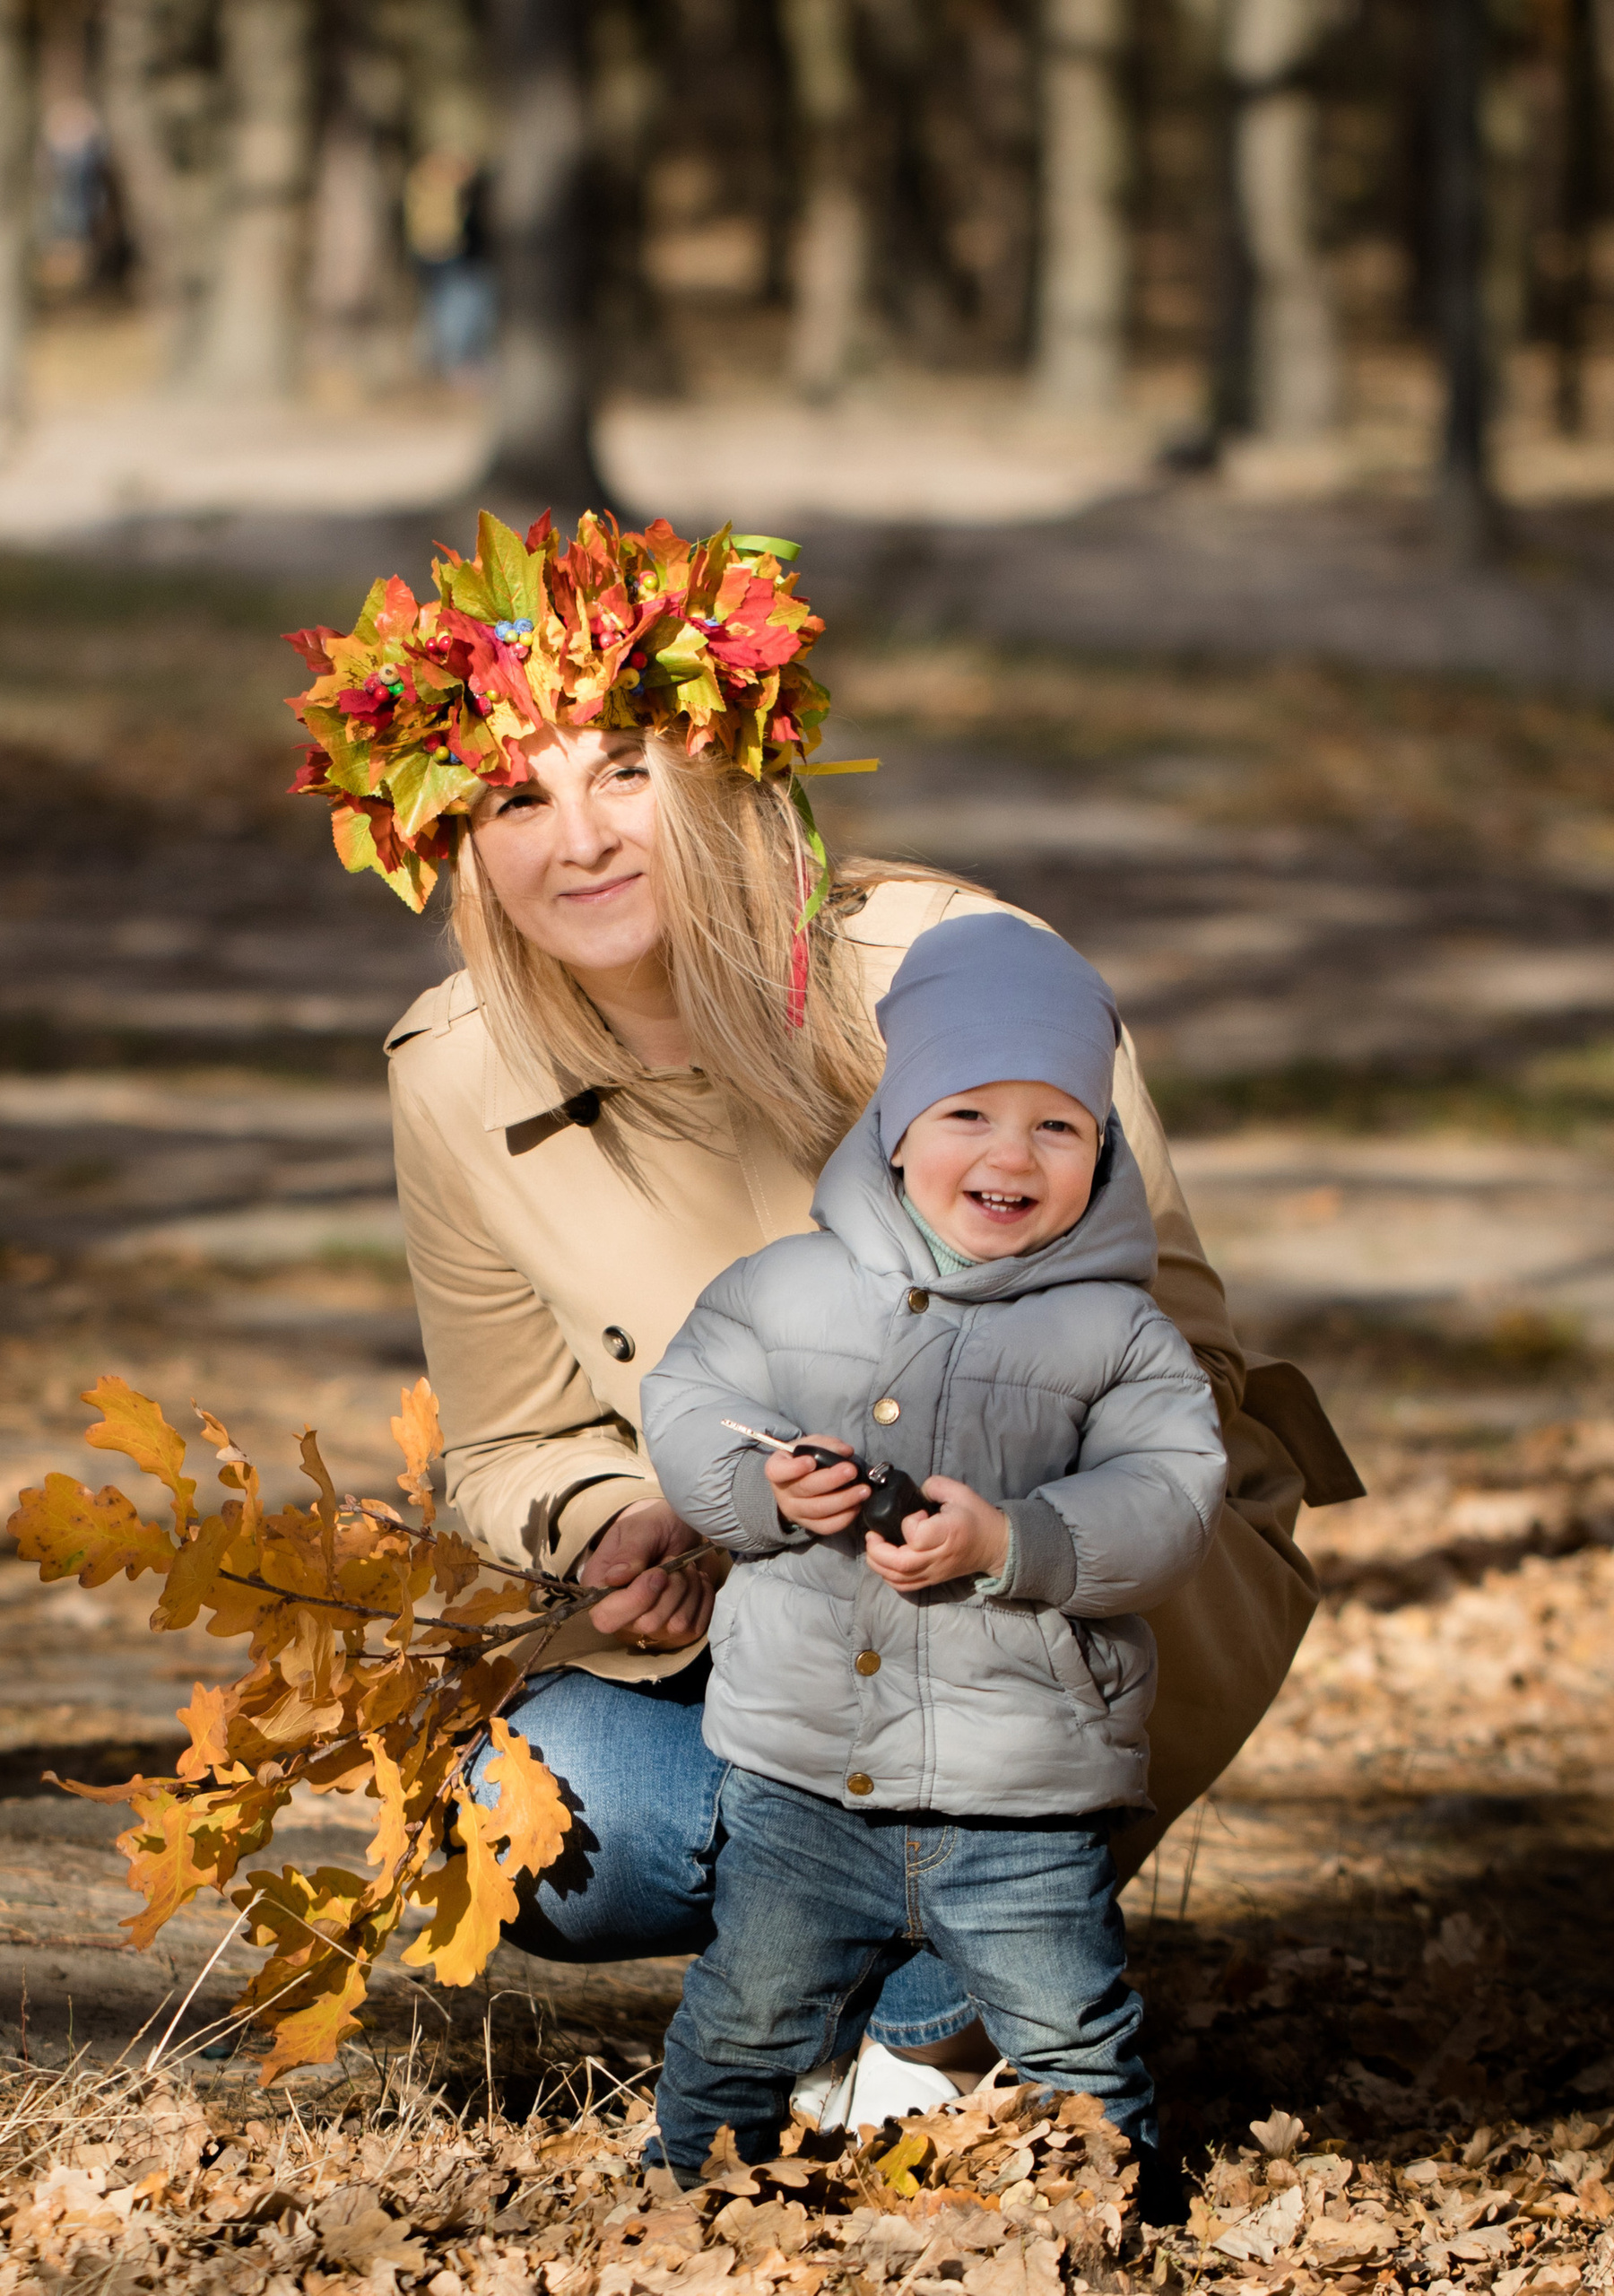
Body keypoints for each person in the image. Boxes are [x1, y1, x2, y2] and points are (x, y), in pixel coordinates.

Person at [285, 509, 1355, 2122]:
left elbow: (1173, 1360)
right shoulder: (457, 1074)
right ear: (455, 845)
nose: (582, 840)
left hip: (1049, 1579)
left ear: (723, 764)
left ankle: (942, 2001)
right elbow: (504, 1447)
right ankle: (884, 1950)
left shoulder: (956, 970)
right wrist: (621, 1515)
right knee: (533, 1818)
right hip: (759, 1628)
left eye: (625, 770)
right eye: (518, 798)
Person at [638, 912, 1225, 2179]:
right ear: (897, 1129)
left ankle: (1114, 2209)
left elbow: (1171, 1500)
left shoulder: (1119, 1333)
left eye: (1057, 1126)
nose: (1011, 1154)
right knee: (744, 2017)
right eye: (968, 1113)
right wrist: (760, 1492)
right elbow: (685, 1401)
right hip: (804, 1777)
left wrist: (1017, 1538)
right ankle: (688, 2196)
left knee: (1073, 2031)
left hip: (1024, 1793)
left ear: (1103, 1148)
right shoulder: (785, 1287)